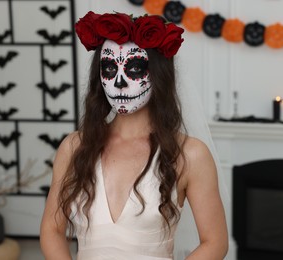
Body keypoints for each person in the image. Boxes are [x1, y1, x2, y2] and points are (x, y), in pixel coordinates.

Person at [39, 11, 228, 260]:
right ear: (99, 75)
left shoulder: (190, 154)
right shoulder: (75, 147)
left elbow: (215, 242)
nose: (119, 82)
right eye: (108, 68)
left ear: (159, 75)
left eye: (135, 68)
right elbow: (52, 230)